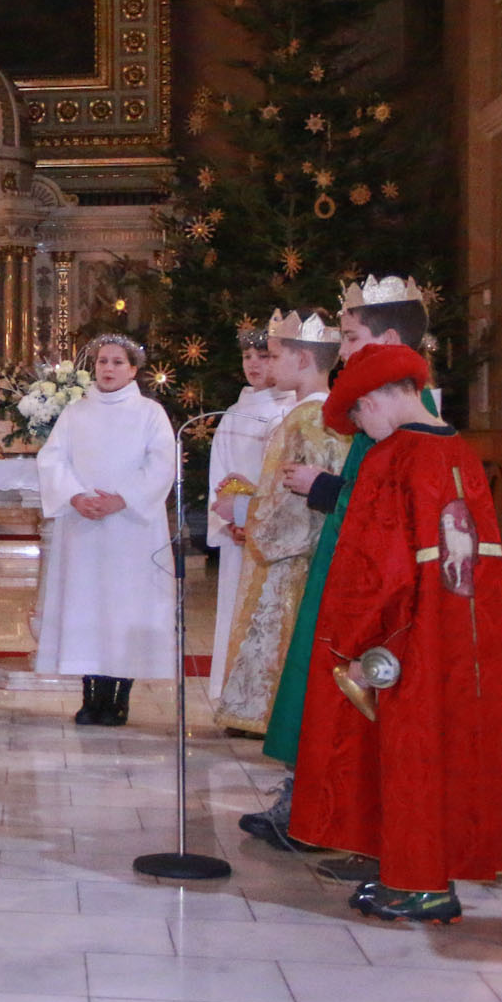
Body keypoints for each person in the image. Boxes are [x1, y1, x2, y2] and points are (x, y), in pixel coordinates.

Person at [288, 343, 502, 923]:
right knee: (451, 749)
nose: (362, 429)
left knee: (409, 755)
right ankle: (427, 875)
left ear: (373, 400)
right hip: (464, 632)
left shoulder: (394, 457)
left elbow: (375, 569)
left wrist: (355, 646)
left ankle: (418, 886)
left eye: (358, 417)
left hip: (407, 633)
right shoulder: (458, 450)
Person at [247, 275, 430, 855]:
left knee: (339, 689)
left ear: (390, 341)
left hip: (370, 578)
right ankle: (311, 806)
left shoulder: (406, 417)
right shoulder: (376, 404)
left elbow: (392, 507)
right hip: (343, 561)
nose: (342, 351)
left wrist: (324, 487)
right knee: (318, 685)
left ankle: (328, 815)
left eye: (351, 338)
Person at [214, 311, 347, 735]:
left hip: (293, 557)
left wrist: (241, 511)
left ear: (303, 360)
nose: (267, 365)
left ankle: (277, 720)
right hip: (296, 548)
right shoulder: (316, 413)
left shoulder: (308, 417)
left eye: (274, 356)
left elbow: (295, 500)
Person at [34, 334, 176, 726]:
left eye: (117, 362)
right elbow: (53, 460)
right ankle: (91, 694)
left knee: (124, 607)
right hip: (84, 527)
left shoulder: (150, 414)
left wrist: (123, 499)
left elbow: (161, 463)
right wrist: (76, 496)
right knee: (86, 605)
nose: (108, 369)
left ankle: (118, 697)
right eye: (102, 362)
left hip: (130, 529)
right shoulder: (75, 412)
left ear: (133, 370)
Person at [207, 325, 293, 701]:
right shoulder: (233, 413)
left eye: (264, 356)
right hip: (237, 533)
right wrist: (227, 520)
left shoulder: (291, 409)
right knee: (235, 611)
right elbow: (220, 471)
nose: (254, 364)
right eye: (247, 357)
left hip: (271, 530)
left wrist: (255, 515)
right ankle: (233, 697)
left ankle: (264, 700)